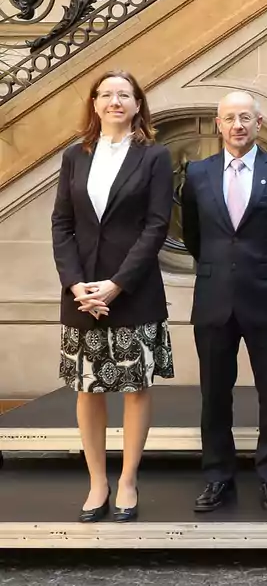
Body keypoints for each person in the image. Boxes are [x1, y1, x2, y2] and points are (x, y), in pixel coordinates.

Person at [51, 70, 175, 523]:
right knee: (88, 389)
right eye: (106, 94)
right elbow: (62, 224)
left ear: (137, 104)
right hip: (82, 292)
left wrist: (117, 283)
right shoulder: (74, 156)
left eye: (124, 94)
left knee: (134, 387)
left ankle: (126, 480)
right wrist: (75, 283)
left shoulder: (155, 157)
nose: (115, 101)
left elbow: (156, 226)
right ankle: (97, 481)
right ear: (95, 104)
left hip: (134, 290)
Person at [181, 91, 267, 513]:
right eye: (230, 117)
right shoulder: (196, 174)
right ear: (218, 123)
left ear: (259, 123)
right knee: (215, 394)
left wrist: (266, 270)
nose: (238, 125)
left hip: (266, 295)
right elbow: (195, 237)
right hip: (214, 299)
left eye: (246, 118)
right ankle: (218, 476)